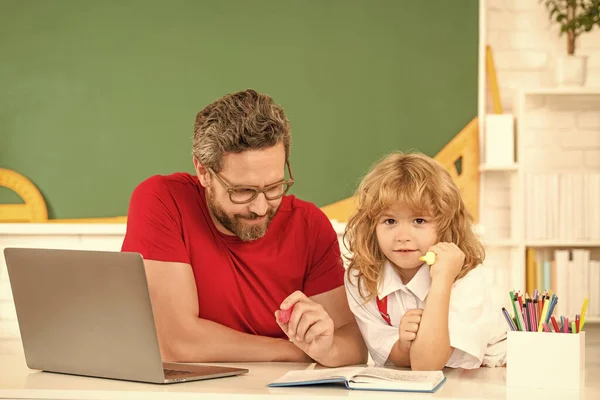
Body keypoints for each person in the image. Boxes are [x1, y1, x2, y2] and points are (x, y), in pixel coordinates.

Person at [121, 89, 367, 366]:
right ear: (203, 172)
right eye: (242, 191)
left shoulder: (309, 224)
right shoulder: (163, 200)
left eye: (275, 187)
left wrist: (327, 348)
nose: (260, 208)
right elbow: (178, 344)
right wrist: (299, 351)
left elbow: (353, 343)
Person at [343, 151, 507, 370]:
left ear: (445, 224)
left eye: (419, 220)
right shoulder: (362, 280)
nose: (403, 236)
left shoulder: (465, 277)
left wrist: (442, 281)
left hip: (496, 376)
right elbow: (396, 356)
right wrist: (403, 344)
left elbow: (427, 365)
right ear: (372, 226)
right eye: (390, 221)